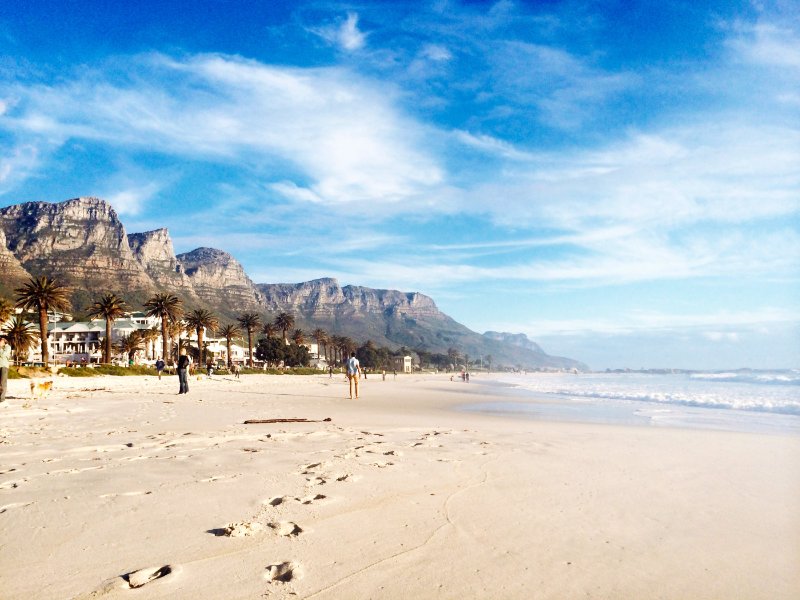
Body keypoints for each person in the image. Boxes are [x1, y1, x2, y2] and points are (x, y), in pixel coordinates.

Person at [0, 337, 11, 403]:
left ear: (4, 342)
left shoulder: (8, 347)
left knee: (3, 383)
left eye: (1, 341)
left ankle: (2, 398)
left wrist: (0, 348)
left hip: (4, 366)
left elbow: (3, 355)